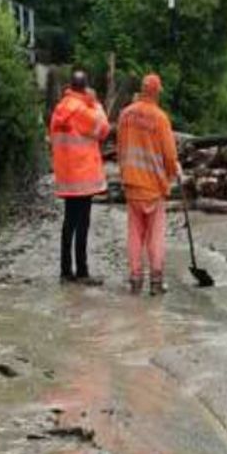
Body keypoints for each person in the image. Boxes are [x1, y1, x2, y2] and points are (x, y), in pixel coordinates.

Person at [117, 73, 181, 296]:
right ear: (157, 92)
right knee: (155, 235)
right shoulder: (160, 118)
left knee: (134, 233)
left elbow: (120, 147)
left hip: (131, 183)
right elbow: (170, 154)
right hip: (153, 186)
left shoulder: (125, 115)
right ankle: (156, 280)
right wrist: (174, 173)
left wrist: (123, 173)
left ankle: (135, 279)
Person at [49, 69, 110, 285]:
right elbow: (103, 129)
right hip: (83, 177)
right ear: (85, 88)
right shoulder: (83, 110)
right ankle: (82, 271)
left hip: (66, 177)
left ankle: (65, 271)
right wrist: (96, 104)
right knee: (82, 223)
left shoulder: (59, 109)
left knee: (68, 223)